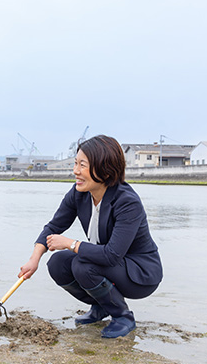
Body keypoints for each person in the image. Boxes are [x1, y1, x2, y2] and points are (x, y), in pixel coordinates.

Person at [19, 135, 162, 338]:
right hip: (108, 264)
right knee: (58, 263)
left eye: (82, 165)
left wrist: (70, 243)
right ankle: (102, 306)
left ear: (104, 168)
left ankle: (123, 317)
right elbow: (54, 226)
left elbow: (112, 255)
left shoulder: (127, 202)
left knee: (82, 265)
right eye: (76, 163)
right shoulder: (79, 193)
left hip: (140, 273)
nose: (75, 170)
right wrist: (34, 259)